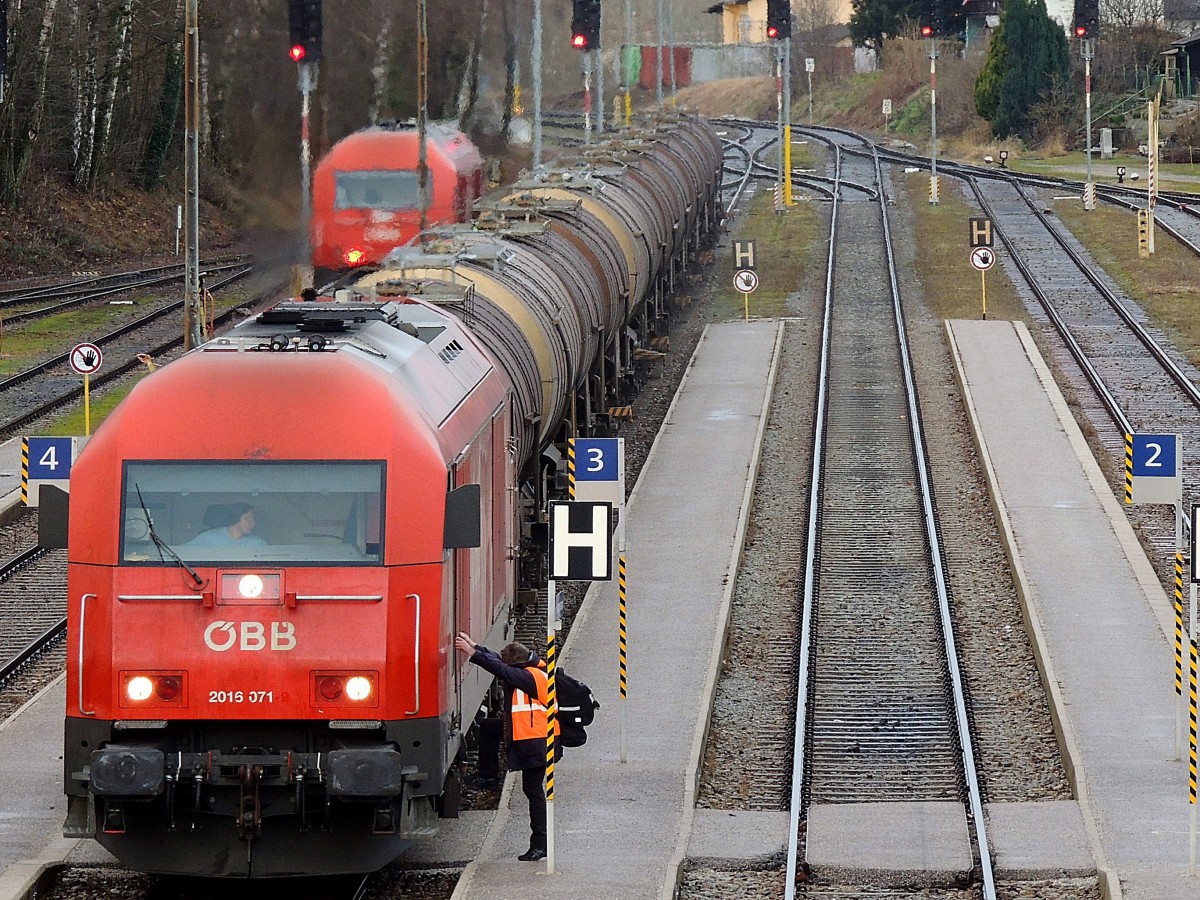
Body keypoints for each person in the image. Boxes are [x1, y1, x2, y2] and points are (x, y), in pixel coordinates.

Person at [454, 631, 560, 862]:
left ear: (517, 664)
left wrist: (472, 653)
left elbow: (501, 669)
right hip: (528, 736)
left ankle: (539, 845)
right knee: (488, 728)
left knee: (533, 791)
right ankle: (488, 776)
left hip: (537, 742)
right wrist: (477, 647)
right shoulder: (527, 667)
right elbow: (499, 661)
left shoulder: (530, 677)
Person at [190, 502, 267, 548]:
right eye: (248, 518)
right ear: (236, 517)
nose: (253, 523)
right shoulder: (208, 537)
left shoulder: (257, 544)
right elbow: (182, 553)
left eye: (253, 519)